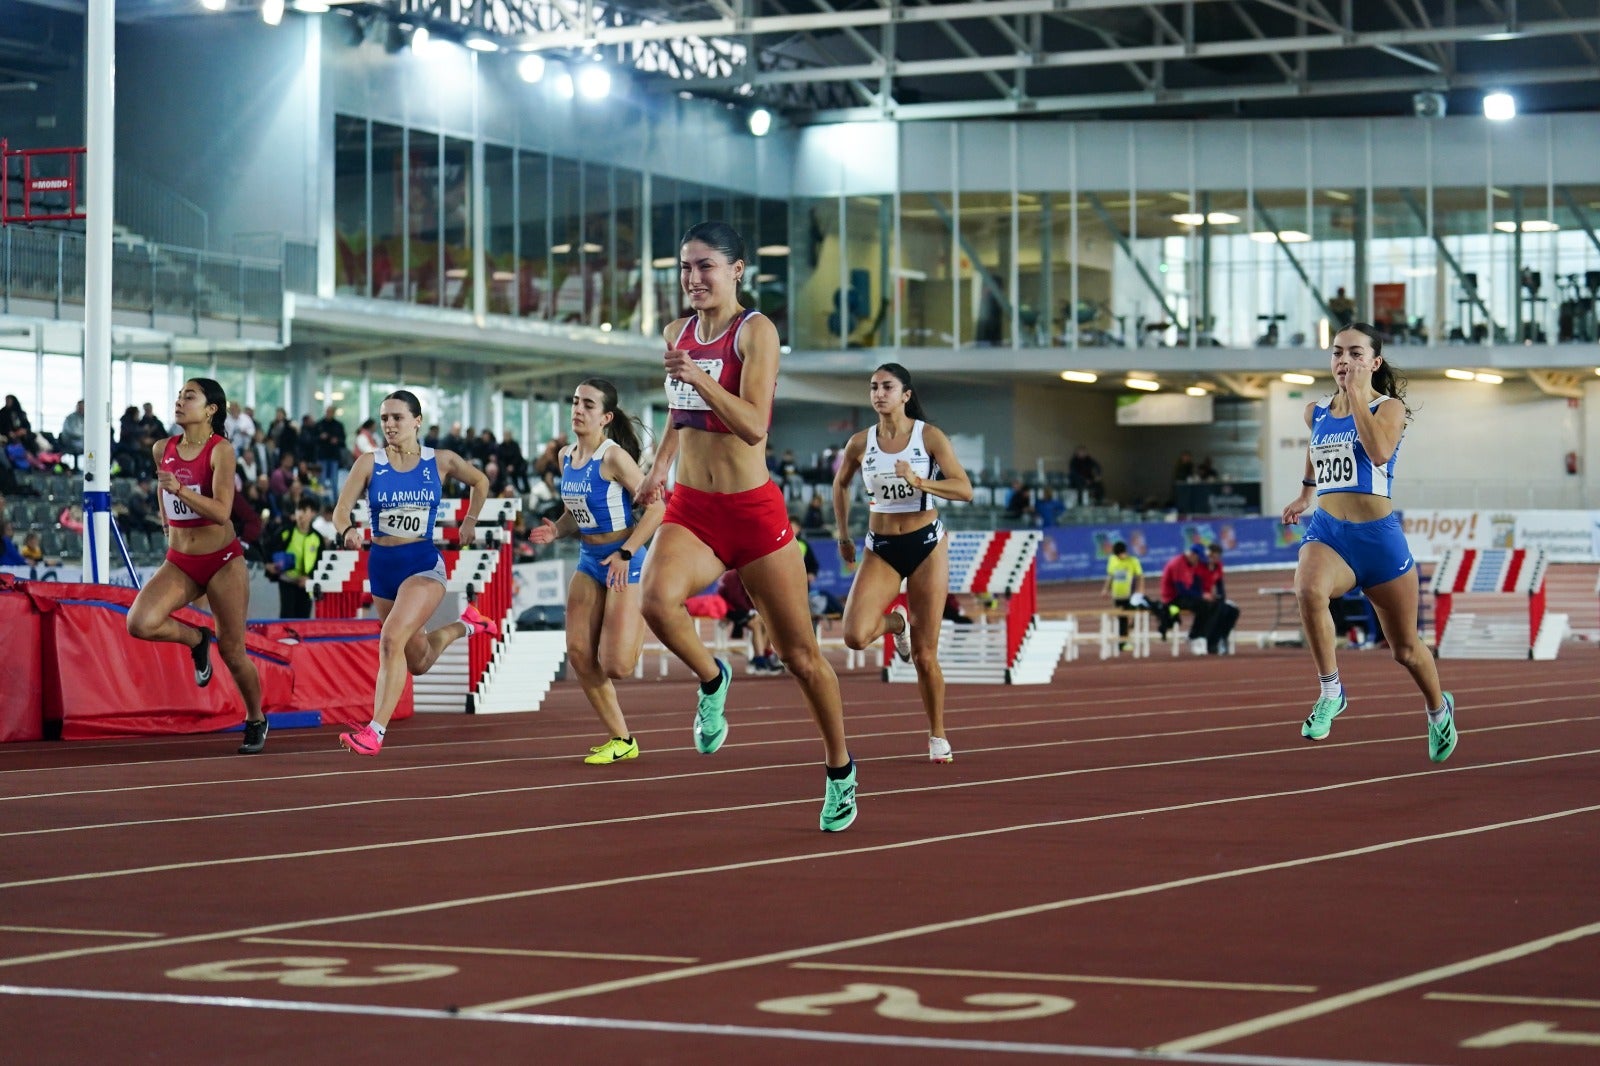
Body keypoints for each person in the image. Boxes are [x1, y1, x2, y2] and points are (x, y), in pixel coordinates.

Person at [633, 220, 858, 831]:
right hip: (693, 509)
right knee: (654, 601)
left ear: (737, 270)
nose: (693, 278)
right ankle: (713, 676)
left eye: (706, 266)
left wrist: (700, 375)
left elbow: (755, 425)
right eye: (684, 267)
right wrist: (659, 470)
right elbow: (679, 417)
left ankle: (840, 771)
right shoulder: (676, 330)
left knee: (800, 656)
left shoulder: (755, 331)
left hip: (753, 511)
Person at [1281, 322, 1456, 762]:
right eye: (1338, 352)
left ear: (1374, 363)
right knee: (1307, 587)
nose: (1345, 361)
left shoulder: (1388, 408)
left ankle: (1438, 710)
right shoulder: (1316, 411)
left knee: (1406, 650)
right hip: (1329, 533)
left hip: (1379, 542)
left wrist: (1358, 396)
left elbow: (1377, 453)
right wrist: (1306, 492)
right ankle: (1330, 690)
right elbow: (1316, 446)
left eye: (1356, 354)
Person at [331, 390, 496, 756]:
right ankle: (467, 624)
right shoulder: (369, 463)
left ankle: (374, 731)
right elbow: (340, 511)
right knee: (417, 660)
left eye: (397, 417)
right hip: (383, 568)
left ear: (417, 421)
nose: (389, 424)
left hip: (422, 565)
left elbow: (481, 482)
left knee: (390, 639)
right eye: (384, 418)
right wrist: (348, 531)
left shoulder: (441, 461)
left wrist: (470, 520)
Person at [831, 362, 973, 763]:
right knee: (856, 636)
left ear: (906, 394)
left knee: (926, 655)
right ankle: (896, 623)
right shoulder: (860, 442)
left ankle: (937, 735)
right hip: (881, 547)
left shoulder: (928, 437)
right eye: (873, 387)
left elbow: (964, 489)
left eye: (887, 387)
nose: (879, 393)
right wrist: (843, 533)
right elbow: (840, 485)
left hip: (926, 545)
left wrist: (921, 482)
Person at [124, 379, 268, 754]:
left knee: (234, 652)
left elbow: (221, 512)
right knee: (139, 622)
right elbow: (163, 484)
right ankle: (196, 640)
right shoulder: (163, 448)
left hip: (222, 561)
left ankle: (255, 718)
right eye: (178, 395)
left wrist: (180, 492)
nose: (179, 401)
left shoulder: (221, 451)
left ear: (210, 410)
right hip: (180, 561)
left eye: (190, 397)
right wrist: (166, 518)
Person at [526, 378, 664, 764]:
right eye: (574, 402)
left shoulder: (614, 457)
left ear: (605, 417)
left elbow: (657, 509)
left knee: (618, 665)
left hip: (625, 559)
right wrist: (556, 528)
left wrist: (626, 551)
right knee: (579, 653)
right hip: (590, 560)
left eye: (588, 404)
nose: (578, 410)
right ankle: (622, 740)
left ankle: (661, 612)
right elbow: (575, 514)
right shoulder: (566, 456)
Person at [262, 496, 326, 619]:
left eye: (304, 510)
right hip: (287, 580)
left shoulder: (317, 538)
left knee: (304, 617)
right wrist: (268, 563)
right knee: (287, 615)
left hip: (306, 583)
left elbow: (320, 562)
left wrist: (310, 577)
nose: (300, 514)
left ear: (312, 513)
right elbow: (268, 546)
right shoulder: (286, 531)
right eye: (298, 510)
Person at [1157, 543, 1217, 651]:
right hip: (1172, 599)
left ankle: (1200, 635)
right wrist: (1201, 596)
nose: (1198, 562)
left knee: (1211, 604)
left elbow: (1193, 587)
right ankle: (1194, 636)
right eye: (1198, 559)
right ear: (1193, 555)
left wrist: (1205, 595)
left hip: (1182, 596)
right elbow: (1181, 590)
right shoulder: (1178, 564)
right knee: (1203, 605)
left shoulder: (1190, 565)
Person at [1101, 540, 1144, 644]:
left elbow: (1139, 576)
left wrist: (1140, 590)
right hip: (1117, 595)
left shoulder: (1133, 561)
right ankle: (1123, 641)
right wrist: (1106, 589)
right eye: (1117, 555)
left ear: (1125, 552)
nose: (1119, 557)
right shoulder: (1112, 560)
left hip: (1130, 594)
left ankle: (1125, 639)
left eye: (1121, 554)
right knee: (1121, 618)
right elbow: (1110, 576)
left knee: (1128, 616)